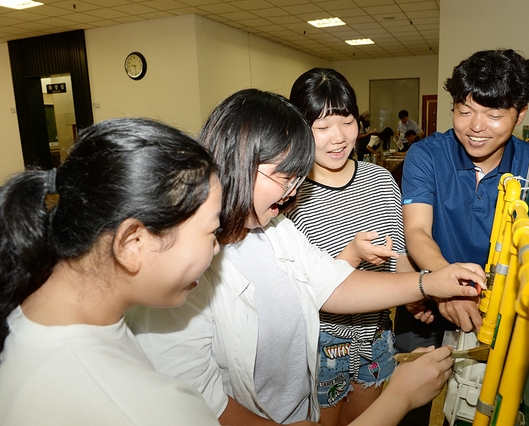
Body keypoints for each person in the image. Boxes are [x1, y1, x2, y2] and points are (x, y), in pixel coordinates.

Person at [127, 89, 487, 426]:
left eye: (297, 179)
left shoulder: (273, 230)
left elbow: (333, 284)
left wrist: (430, 281)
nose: (291, 193)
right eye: (284, 176)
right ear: (240, 161)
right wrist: (400, 398)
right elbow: (209, 409)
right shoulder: (182, 278)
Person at [0, 118, 223, 425]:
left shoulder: (36, 304)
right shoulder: (150, 409)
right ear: (133, 242)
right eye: (213, 231)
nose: (216, 248)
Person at [396, 48, 529, 426]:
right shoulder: (426, 155)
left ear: (520, 114)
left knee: (477, 407)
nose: (476, 127)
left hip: (493, 312)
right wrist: (447, 285)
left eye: (493, 115)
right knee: (407, 403)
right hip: (428, 299)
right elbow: (416, 231)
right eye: (465, 111)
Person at [287, 68, 426, 426]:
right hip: (319, 345)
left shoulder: (379, 179)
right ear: (300, 129)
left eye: (346, 121)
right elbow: (298, 288)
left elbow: (400, 258)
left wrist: (420, 293)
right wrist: (350, 255)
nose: (338, 138)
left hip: (375, 336)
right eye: (322, 127)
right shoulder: (290, 194)